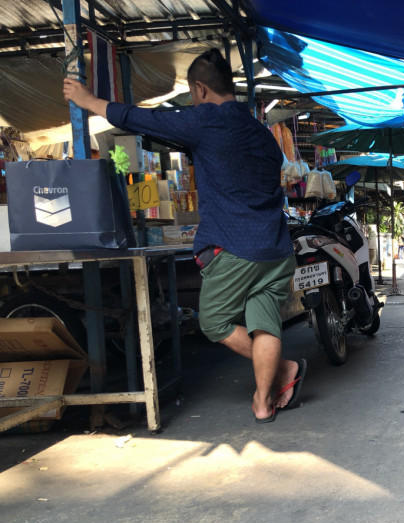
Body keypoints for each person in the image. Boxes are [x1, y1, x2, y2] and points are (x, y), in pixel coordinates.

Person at [63, 48, 306, 424]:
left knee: (214, 322)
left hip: (236, 248)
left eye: (193, 95)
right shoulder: (261, 134)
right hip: (275, 247)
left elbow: (145, 119)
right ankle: (265, 399)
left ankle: (284, 371)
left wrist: (89, 100)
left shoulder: (205, 121)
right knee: (264, 323)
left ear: (200, 89)